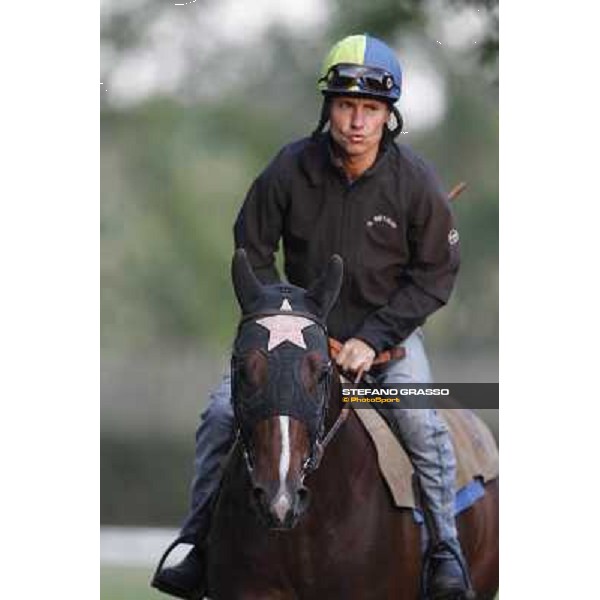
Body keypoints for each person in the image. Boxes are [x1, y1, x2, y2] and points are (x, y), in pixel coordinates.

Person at [152, 33, 470, 599]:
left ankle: (445, 555)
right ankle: (198, 545)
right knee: (221, 414)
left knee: (424, 426)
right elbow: (250, 247)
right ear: (329, 106)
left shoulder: (414, 183)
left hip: (389, 352)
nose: (356, 121)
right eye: (346, 105)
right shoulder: (290, 168)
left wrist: (372, 339)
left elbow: (436, 274)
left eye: (370, 109)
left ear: (388, 117)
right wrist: (286, 318)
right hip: (297, 350)